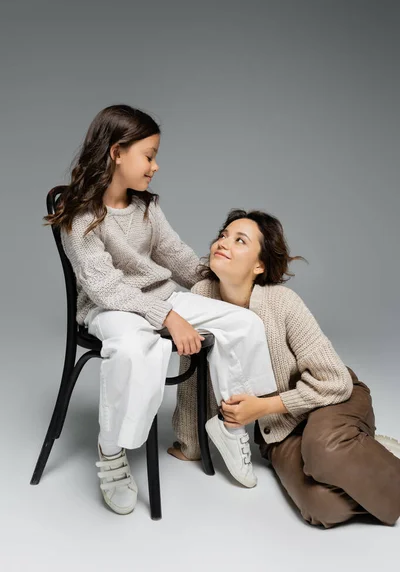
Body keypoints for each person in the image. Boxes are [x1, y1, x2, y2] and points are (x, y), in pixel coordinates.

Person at [44, 105, 277, 515]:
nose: (155, 165)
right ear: (117, 152)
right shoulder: (80, 216)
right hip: (108, 308)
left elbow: (179, 258)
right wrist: (167, 318)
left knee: (245, 323)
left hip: (160, 297)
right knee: (135, 349)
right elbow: (104, 287)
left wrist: (228, 276)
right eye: (148, 155)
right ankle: (111, 451)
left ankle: (231, 424)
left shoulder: (147, 208)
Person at [169, 208, 400, 528]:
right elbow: (192, 379)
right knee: (322, 509)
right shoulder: (201, 297)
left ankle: (353, 452)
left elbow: (335, 381)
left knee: (321, 449)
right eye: (223, 235)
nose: (223, 243)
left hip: (334, 400)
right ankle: (366, 457)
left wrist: (262, 406)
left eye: (240, 240)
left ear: (259, 265)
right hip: (279, 430)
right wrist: (192, 445)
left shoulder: (282, 302)